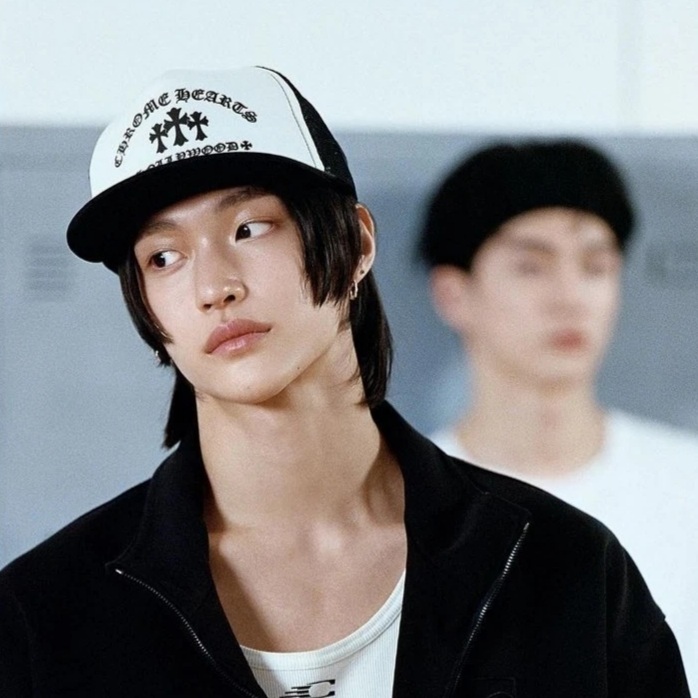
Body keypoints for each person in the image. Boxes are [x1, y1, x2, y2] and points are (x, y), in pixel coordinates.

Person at [0, 70, 689, 697]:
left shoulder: (562, 568)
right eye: (163, 257)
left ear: (357, 244)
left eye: (249, 227)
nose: (214, 286)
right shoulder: (45, 615)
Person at [418, 138, 698, 694]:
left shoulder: (687, 484)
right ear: (453, 294)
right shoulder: (405, 501)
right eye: (530, 267)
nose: (570, 297)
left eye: (596, 266)